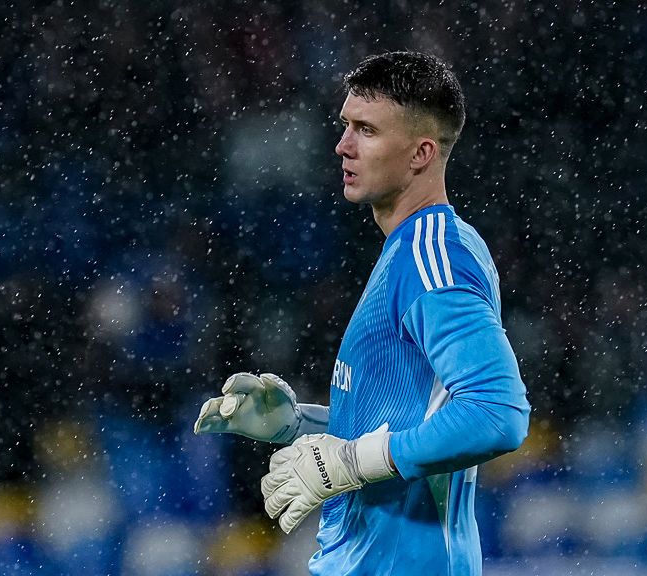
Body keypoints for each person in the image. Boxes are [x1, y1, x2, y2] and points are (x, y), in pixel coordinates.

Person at [195, 51, 530, 575]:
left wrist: (351, 462)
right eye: (346, 125)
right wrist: (298, 425)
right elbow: (409, 419)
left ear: (421, 153)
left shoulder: (432, 255)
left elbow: (497, 414)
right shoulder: (412, 250)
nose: (343, 145)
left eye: (367, 130)